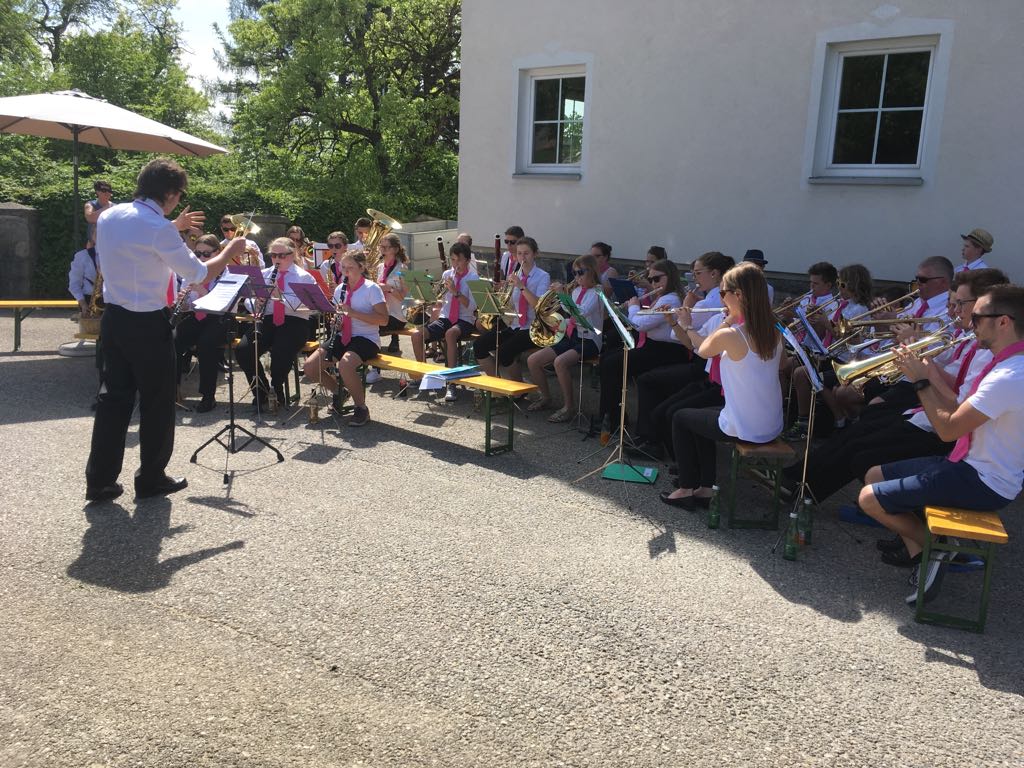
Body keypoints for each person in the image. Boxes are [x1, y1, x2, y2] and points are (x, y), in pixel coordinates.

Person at [84, 158, 243, 502]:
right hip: (147, 321)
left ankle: (99, 481)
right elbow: (199, 272)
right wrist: (230, 250)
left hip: (114, 318)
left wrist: (172, 225)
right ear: (170, 194)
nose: (178, 200)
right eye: (178, 195)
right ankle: (151, 477)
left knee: (113, 398)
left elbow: (139, 235)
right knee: (157, 401)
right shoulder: (158, 228)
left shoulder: (111, 215)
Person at [858, 284, 1024, 605]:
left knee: (869, 499)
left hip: (983, 480)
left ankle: (939, 549)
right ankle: (923, 554)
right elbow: (956, 410)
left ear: (1003, 321)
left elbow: (948, 430)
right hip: (967, 465)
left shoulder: (1009, 376)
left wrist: (921, 380)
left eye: (977, 317)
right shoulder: (1005, 365)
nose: (969, 322)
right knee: (874, 474)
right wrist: (927, 372)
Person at [661, 262, 784, 509]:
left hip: (745, 426)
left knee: (680, 417)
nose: (720, 298)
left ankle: (686, 488)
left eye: (723, 292)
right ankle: (706, 487)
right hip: (771, 424)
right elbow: (783, 364)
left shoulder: (731, 334)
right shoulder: (774, 329)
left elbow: (703, 349)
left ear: (738, 295)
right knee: (699, 417)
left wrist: (686, 324)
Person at [597, 258, 689, 442]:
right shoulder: (662, 297)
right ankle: (613, 416)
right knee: (607, 359)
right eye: (651, 279)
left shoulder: (671, 299)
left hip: (667, 352)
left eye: (657, 279)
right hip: (654, 348)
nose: (653, 283)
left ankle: (614, 420)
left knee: (612, 364)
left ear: (670, 277)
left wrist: (633, 307)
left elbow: (640, 324)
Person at [783, 264, 873, 439]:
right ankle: (803, 420)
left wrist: (824, 322)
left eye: (842, 284)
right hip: (830, 354)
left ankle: (839, 420)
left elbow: (847, 338)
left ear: (854, 285)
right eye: (838, 283)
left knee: (809, 375)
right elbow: (823, 333)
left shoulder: (860, 309)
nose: (839, 288)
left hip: (845, 359)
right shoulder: (841, 305)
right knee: (800, 373)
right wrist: (809, 319)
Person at [303, 251, 388, 426]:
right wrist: (337, 322)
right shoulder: (340, 289)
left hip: (366, 338)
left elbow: (383, 320)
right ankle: (339, 392)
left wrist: (354, 313)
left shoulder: (372, 288)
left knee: (345, 365)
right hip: (343, 335)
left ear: (361, 267)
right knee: (310, 367)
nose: (346, 271)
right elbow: (341, 315)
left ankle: (361, 408)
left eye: (350, 267)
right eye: (343, 267)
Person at [234, 237, 317, 412]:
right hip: (268, 319)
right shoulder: (264, 274)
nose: (277, 259)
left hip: (295, 322)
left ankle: (277, 389)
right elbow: (249, 300)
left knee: (281, 349)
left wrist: (281, 298)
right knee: (243, 350)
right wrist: (255, 303)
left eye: (282, 255)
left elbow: (309, 307)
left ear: (292, 254)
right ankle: (261, 390)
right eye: (273, 255)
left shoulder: (304, 277)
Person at [526, 253, 604, 421]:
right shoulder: (576, 291)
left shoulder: (598, 292)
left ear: (591, 271)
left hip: (590, 339)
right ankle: (545, 397)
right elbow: (572, 316)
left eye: (580, 272)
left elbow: (581, 313)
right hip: (572, 336)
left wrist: (562, 295)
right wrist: (555, 321)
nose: (577, 277)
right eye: (574, 273)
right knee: (533, 360)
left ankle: (569, 407)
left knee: (559, 362)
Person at [473, 236, 551, 381]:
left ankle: (519, 387)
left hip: (532, 327)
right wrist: (500, 293)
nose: (522, 257)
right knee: (479, 345)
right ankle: (497, 384)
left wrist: (521, 286)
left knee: (504, 352)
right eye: (519, 253)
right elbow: (508, 304)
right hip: (513, 324)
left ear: (535, 254)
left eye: (526, 253)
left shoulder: (543, 276)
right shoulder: (515, 275)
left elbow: (538, 305)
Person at [410, 242, 479, 401]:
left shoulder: (473, 278)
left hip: (465, 319)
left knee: (450, 334)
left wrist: (455, 292)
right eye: (453, 260)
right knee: (416, 335)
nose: (455, 264)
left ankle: (451, 383)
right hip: (446, 317)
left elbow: (472, 307)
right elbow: (440, 299)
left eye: (459, 260)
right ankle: (424, 377)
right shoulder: (447, 274)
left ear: (468, 260)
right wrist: (431, 298)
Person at [173, 235, 231, 413]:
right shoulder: (192, 273)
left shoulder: (228, 274)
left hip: (221, 318)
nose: (201, 258)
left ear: (218, 253)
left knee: (206, 344)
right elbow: (188, 307)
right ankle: (172, 390)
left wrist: (203, 291)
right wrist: (182, 301)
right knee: (172, 339)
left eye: (206, 254)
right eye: (198, 254)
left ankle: (208, 396)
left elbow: (223, 305)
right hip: (197, 316)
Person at [373, 232, 410, 364]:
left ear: (395, 249)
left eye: (386, 247)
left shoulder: (402, 269)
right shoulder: (379, 267)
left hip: (397, 315)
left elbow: (403, 298)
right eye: (381, 247)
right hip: (383, 312)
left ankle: (375, 364)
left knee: (369, 325)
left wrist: (389, 288)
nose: (382, 250)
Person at [68, 238, 99, 316]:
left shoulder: (115, 255)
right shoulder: (82, 256)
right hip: (89, 301)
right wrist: (83, 304)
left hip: (113, 301)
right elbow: (74, 284)